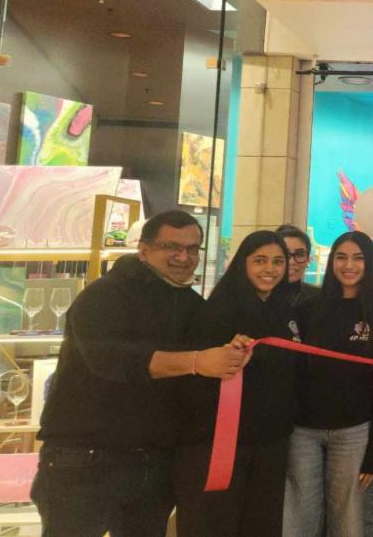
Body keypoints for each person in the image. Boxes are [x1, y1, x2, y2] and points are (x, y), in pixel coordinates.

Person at [32, 210, 247, 537]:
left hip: (154, 461)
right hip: (86, 457)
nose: (183, 256)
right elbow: (111, 359)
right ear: (144, 250)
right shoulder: (104, 294)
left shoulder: (191, 304)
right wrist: (196, 361)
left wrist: (236, 349)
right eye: (171, 246)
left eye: (192, 248)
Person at [174, 230, 302, 536]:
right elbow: (195, 379)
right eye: (260, 260)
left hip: (269, 443)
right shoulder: (218, 310)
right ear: (242, 263)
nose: (270, 269)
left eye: (278, 261)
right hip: (222, 445)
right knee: (217, 525)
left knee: (260, 525)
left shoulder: (284, 309)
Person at [284, 231, 373, 537]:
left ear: (369, 263)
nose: (348, 265)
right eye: (341, 257)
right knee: (299, 521)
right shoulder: (308, 308)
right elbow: (293, 372)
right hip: (303, 431)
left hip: (356, 432)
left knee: (349, 524)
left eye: (358, 258)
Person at [277, 224, 320, 308]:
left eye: (300, 255)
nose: (292, 262)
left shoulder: (320, 297)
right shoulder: (258, 297)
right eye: (285, 254)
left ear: (308, 260)